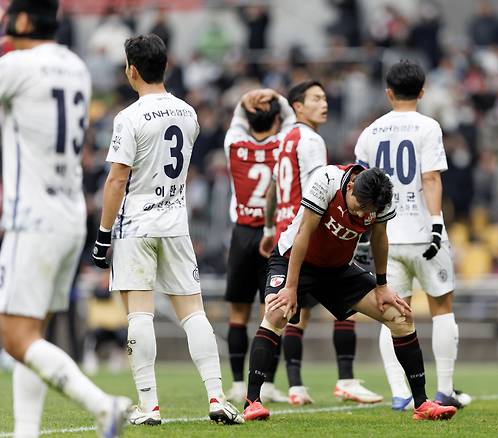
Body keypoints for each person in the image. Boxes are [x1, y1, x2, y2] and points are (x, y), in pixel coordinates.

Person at [92, 34, 242, 426]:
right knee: (193, 312)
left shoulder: (129, 117)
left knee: (138, 313)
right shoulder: (188, 113)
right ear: (167, 66)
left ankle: (149, 405)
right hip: (175, 221)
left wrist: (102, 234)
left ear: (132, 70)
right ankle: (216, 396)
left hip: (136, 222)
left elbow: (116, 180)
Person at [0, 1, 131, 437]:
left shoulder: (17, 65)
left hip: (31, 216)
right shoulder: (74, 65)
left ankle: (103, 405)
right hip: (69, 213)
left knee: (15, 337)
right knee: (33, 331)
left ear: (19, 21)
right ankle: (25, 432)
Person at [242, 164, 457, 422]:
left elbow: (380, 238)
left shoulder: (382, 197)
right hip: (293, 259)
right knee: (277, 314)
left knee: (400, 316)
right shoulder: (326, 180)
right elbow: (303, 234)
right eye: (358, 207)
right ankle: (251, 402)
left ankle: (422, 404)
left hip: (337, 269)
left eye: (368, 212)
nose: (362, 214)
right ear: (351, 186)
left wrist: (381, 285)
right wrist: (290, 287)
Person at [354, 59, 471, 410]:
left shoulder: (370, 132)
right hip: (423, 233)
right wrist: (436, 223)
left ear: (388, 93)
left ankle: (401, 393)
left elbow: (361, 187)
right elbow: (431, 177)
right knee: (442, 309)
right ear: (422, 91)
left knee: (393, 314)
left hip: (385, 235)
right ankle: (445, 389)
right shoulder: (429, 126)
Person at [259, 81, 382, 405]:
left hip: (286, 229)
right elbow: (321, 188)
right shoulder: (311, 140)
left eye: (325, 98)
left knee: (293, 312)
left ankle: (296, 385)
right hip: (308, 230)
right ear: (297, 107)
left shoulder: (284, 139)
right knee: (347, 305)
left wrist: (270, 226)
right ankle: (345, 378)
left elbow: (272, 188)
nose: (324, 104)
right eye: (316, 99)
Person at [224, 88, 295, 404]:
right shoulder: (285, 144)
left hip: (242, 234)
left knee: (238, 314)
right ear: (277, 118)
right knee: (275, 311)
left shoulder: (234, 144)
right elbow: (292, 117)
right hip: (275, 235)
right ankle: (266, 384)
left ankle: (239, 383)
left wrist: (249, 98)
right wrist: (274, 96)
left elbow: (239, 116)